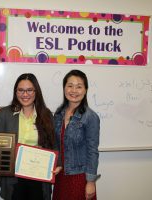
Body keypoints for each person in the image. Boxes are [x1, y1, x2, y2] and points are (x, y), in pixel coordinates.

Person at [0, 73, 55, 200]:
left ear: (36, 91)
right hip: (13, 178)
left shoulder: (46, 115)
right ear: (16, 92)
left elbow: (52, 145)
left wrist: (55, 164)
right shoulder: (4, 114)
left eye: (29, 90)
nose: (25, 94)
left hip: (38, 176)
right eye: (21, 90)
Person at [52, 70, 100, 200]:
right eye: (70, 85)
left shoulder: (90, 117)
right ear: (64, 88)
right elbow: (56, 144)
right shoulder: (58, 113)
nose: (74, 90)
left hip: (80, 177)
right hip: (61, 176)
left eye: (79, 86)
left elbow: (92, 151)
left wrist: (90, 182)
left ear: (85, 90)